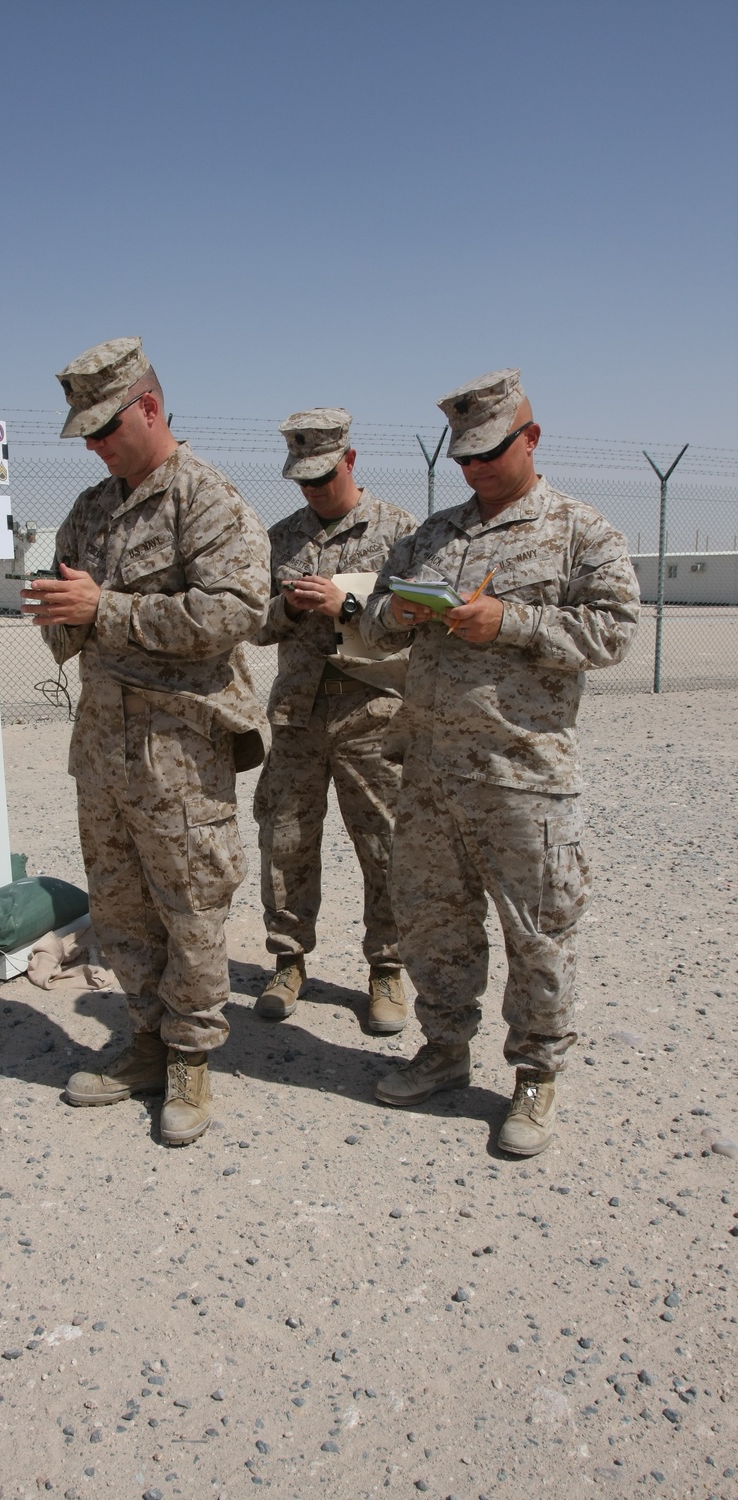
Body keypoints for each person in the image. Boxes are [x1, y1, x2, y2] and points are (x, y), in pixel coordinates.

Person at [361, 369, 640, 1155]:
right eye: (465, 458)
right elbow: (375, 621)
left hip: (524, 775)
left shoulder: (581, 531)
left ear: (532, 437)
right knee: (433, 922)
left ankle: (536, 1076)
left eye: (491, 451)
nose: (476, 468)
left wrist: (510, 623)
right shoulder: (432, 535)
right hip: (428, 772)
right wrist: (400, 610)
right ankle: (445, 1051)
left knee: (538, 931)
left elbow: (615, 631)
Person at [22, 337, 271, 1146]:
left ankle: (192, 1058)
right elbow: (68, 598)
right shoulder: (92, 509)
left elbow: (237, 611)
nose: (95, 446)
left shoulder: (207, 500)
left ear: (151, 409)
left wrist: (107, 612)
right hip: (104, 748)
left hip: (182, 755)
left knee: (191, 907)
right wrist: (58, 614)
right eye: (85, 435)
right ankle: (145, 1042)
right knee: (122, 906)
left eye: (104, 428)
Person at [254, 408, 418, 1032]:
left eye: (322, 476)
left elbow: (418, 619)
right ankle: (289, 961)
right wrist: (290, 610)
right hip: (298, 716)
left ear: (350, 460)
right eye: (302, 480)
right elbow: (253, 624)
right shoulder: (282, 538)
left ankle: (387, 968)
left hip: (372, 713)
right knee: (286, 842)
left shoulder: (401, 530)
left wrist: (347, 604)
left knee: (384, 844)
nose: (313, 490)